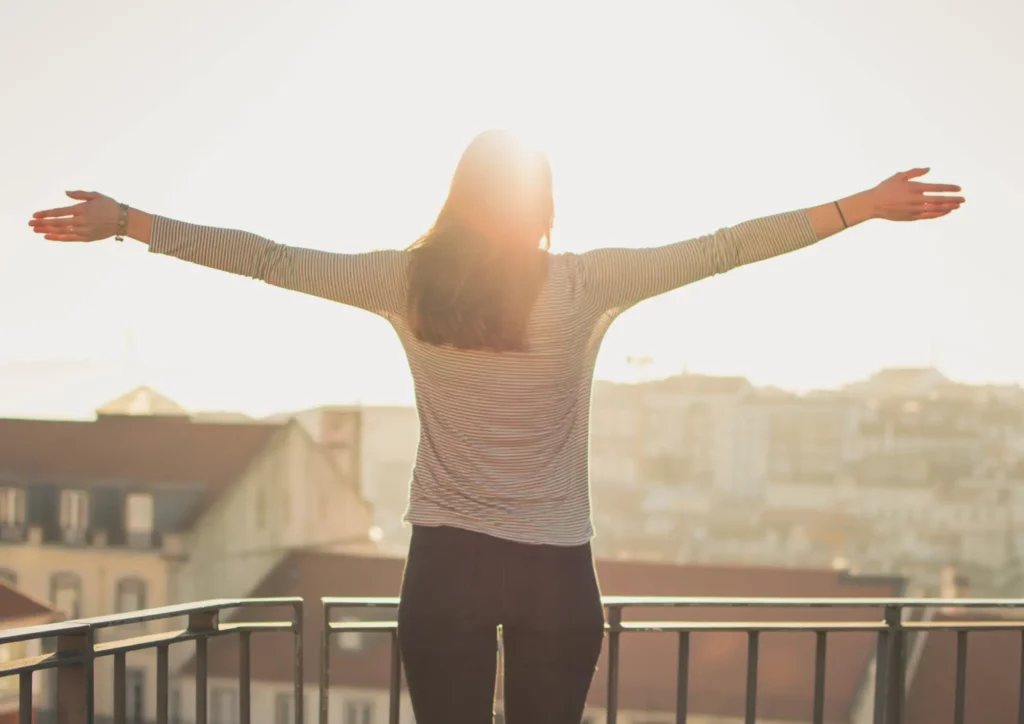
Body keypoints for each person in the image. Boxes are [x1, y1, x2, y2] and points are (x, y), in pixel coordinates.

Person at [28, 130, 964, 723]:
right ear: (543, 204)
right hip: (558, 570)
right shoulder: (587, 283)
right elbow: (724, 249)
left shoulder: (404, 282)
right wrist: (861, 209)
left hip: (446, 567)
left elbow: (270, 260)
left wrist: (130, 223)